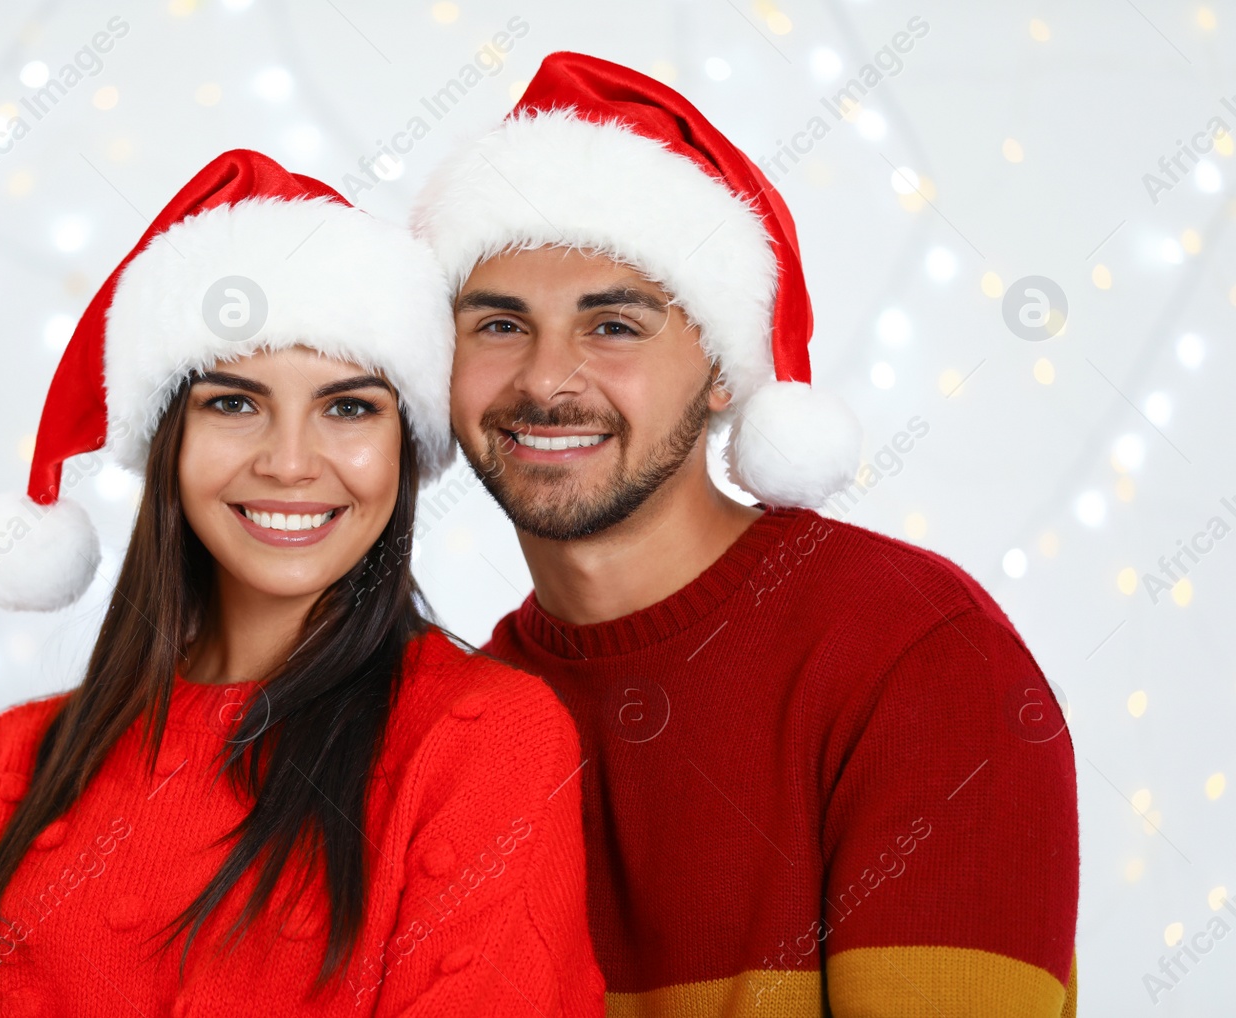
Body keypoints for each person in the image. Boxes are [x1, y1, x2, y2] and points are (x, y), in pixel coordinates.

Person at [412, 53, 1080, 1016]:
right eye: (501, 326)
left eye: (615, 327)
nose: (548, 381)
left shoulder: (914, 655)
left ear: (725, 370)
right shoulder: (474, 719)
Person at [0, 150, 604, 1017]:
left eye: (349, 407)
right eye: (234, 404)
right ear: (172, 442)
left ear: (403, 449)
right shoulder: (8, 768)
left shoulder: (486, 743)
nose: (290, 463)